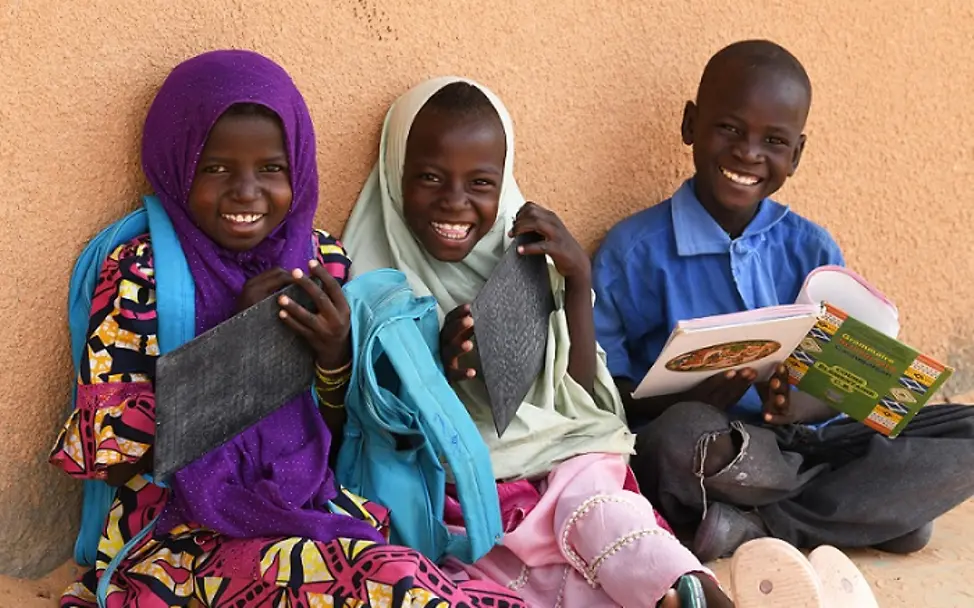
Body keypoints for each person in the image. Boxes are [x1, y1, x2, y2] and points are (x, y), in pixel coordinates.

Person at [48, 50, 523, 608]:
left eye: (271, 168)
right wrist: (232, 350)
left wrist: (334, 359)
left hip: (310, 506)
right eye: (217, 168)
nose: (247, 192)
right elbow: (109, 457)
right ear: (177, 164)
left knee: (427, 585)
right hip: (180, 537)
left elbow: (338, 428)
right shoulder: (140, 276)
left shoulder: (320, 260)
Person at [342, 76, 740, 608]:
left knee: (601, 505)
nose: (455, 203)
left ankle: (683, 589)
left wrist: (576, 282)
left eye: (480, 183)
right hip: (470, 494)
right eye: (430, 178)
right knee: (528, 574)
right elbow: (365, 422)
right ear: (395, 177)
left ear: (503, 180)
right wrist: (435, 370)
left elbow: (576, 394)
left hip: (563, 459)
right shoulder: (371, 280)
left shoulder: (523, 256)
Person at [591, 39, 974, 563]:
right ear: (689, 125)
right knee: (679, 439)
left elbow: (855, 387)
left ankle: (761, 527)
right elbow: (602, 396)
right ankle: (855, 514)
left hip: (817, 442)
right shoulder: (633, 251)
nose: (748, 153)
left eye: (773, 140)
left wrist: (805, 401)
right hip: (726, 450)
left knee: (964, 430)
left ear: (796, 153)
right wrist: (691, 398)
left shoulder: (813, 247)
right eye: (729, 128)